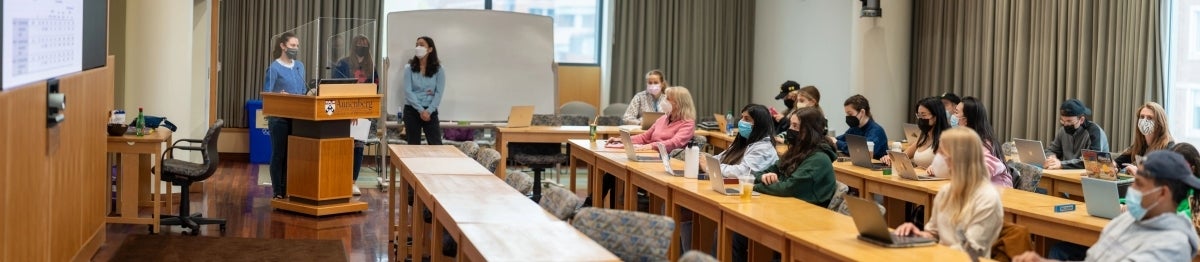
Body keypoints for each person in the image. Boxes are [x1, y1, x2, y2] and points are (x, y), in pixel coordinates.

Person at [1014, 150, 1200, 262]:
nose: (1132, 189)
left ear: (1162, 193)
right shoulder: (1128, 219)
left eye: (1139, 184)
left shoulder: (1173, 243)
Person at [731, 106, 838, 262]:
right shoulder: (796, 150)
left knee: (748, 234)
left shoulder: (819, 159)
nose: (790, 130)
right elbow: (765, 172)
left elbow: (788, 187)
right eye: (790, 125)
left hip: (807, 223)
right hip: (787, 211)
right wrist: (765, 177)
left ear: (809, 130)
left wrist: (755, 186)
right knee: (739, 232)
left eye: (795, 126)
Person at [894, 127, 1004, 256]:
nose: (936, 158)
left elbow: (970, 250)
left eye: (941, 153)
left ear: (958, 158)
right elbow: (933, 233)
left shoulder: (987, 199)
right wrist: (916, 235)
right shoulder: (945, 192)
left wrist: (933, 251)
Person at [597, 86, 697, 207]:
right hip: (650, 157)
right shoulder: (662, 119)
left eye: (668, 99)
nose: (664, 100)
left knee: (618, 172)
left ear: (679, 103)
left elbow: (674, 143)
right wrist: (621, 140)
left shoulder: (688, 123)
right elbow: (644, 137)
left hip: (665, 162)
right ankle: (594, 203)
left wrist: (651, 146)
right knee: (614, 170)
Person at [333, 35, 378, 196]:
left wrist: (361, 112)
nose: (362, 46)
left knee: (358, 148)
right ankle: (338, 178)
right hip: (344, 110)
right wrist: (349, 111)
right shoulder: (343, 63)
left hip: (363, 112)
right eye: (359, 44)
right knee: (342, 146)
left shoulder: (371, 67)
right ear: (353, 46)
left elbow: (375, 89)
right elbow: (335, 87)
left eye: (365, 44)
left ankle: (352, 182)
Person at [263, 32, 305, 199]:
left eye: (297, 46)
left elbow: (302, 90)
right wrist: (280, 95)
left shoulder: (299, 66)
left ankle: (290, 188)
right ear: (283, 46)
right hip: (279, 118)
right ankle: (278, 191)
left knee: (293, 155)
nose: (295, 49)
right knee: (279, 154)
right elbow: (267, 94)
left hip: (298, 117)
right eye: (292, 45)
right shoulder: (274, 68)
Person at [701, 104, 779, 176]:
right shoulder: (744, 141)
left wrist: (709, 167)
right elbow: (722, 157)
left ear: (759, 125)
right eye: (742, 117)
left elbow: (743, 172)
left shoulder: (764, 149)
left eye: (747, 119)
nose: (741, 122)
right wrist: (704, 160)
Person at [953, 97, 1012, 187]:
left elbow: (983, 171)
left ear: (966, 120)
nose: (953, 116)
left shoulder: (985, 143)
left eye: (956, 112)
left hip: (998, 190)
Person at [882, 97, 951, 168]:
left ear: (935, 116)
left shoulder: (945, 140)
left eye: (923, 115)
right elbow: (903, 156)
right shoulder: (923, 138)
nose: (921, 119)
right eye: (919, 115)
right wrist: (890, 158)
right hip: (918, 177)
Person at [402, 36, 446, 146]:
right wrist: (421, 110)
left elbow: (438, 93)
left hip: (430, 111)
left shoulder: (439, 69)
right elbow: (408, 91)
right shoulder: (409, 68)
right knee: (413, 146)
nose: (418, 47)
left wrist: (429, 111)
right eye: (417, 45)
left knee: (436, 145)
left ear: (430, 49)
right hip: (412, 111)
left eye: (421, 45)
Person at [1044, 99, 1109, 170]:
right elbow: (1051, 150)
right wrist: (1051, 158)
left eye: (1069, 121)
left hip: (1091, 175)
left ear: (1081, 120)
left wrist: (1062, 164)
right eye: (1063, 120)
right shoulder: (1062, 130)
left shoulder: (1094, 132)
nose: (1065, 124)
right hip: (1066, 173)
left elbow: (1092, 160)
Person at [1115, 102, 1175, 167]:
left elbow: (1165, 173)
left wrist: (1139, 173)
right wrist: (1114, 167)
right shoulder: (1141, 144)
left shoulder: (1169, 146)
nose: (1144, 121)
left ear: (1160, 122)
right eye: (1142, 117)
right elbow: (1118, 162)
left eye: (1149, 118)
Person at [835, 94, 888, 159]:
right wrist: (830, 140)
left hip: (877, 168)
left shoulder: (876, 131)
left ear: (862, 112)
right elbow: (840, 139)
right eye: (846, 114)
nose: (848, 117)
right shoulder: (854, 128)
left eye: (850, 114)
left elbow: (862, 151)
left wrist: (837, 143)